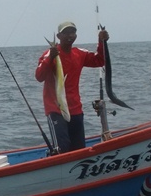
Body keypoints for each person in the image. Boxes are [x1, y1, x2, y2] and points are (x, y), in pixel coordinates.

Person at [35, 21, 108, 154]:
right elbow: (39, 77)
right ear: (59, 36)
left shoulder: (79, 53)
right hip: (56, 109)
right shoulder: (50, 54)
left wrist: (101, 42)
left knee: (79, 149)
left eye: (73, 32)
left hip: (75, 109)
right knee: (62, 148)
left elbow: (99, 61)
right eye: (66, 33)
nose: (70, 35)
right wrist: (50, 58)